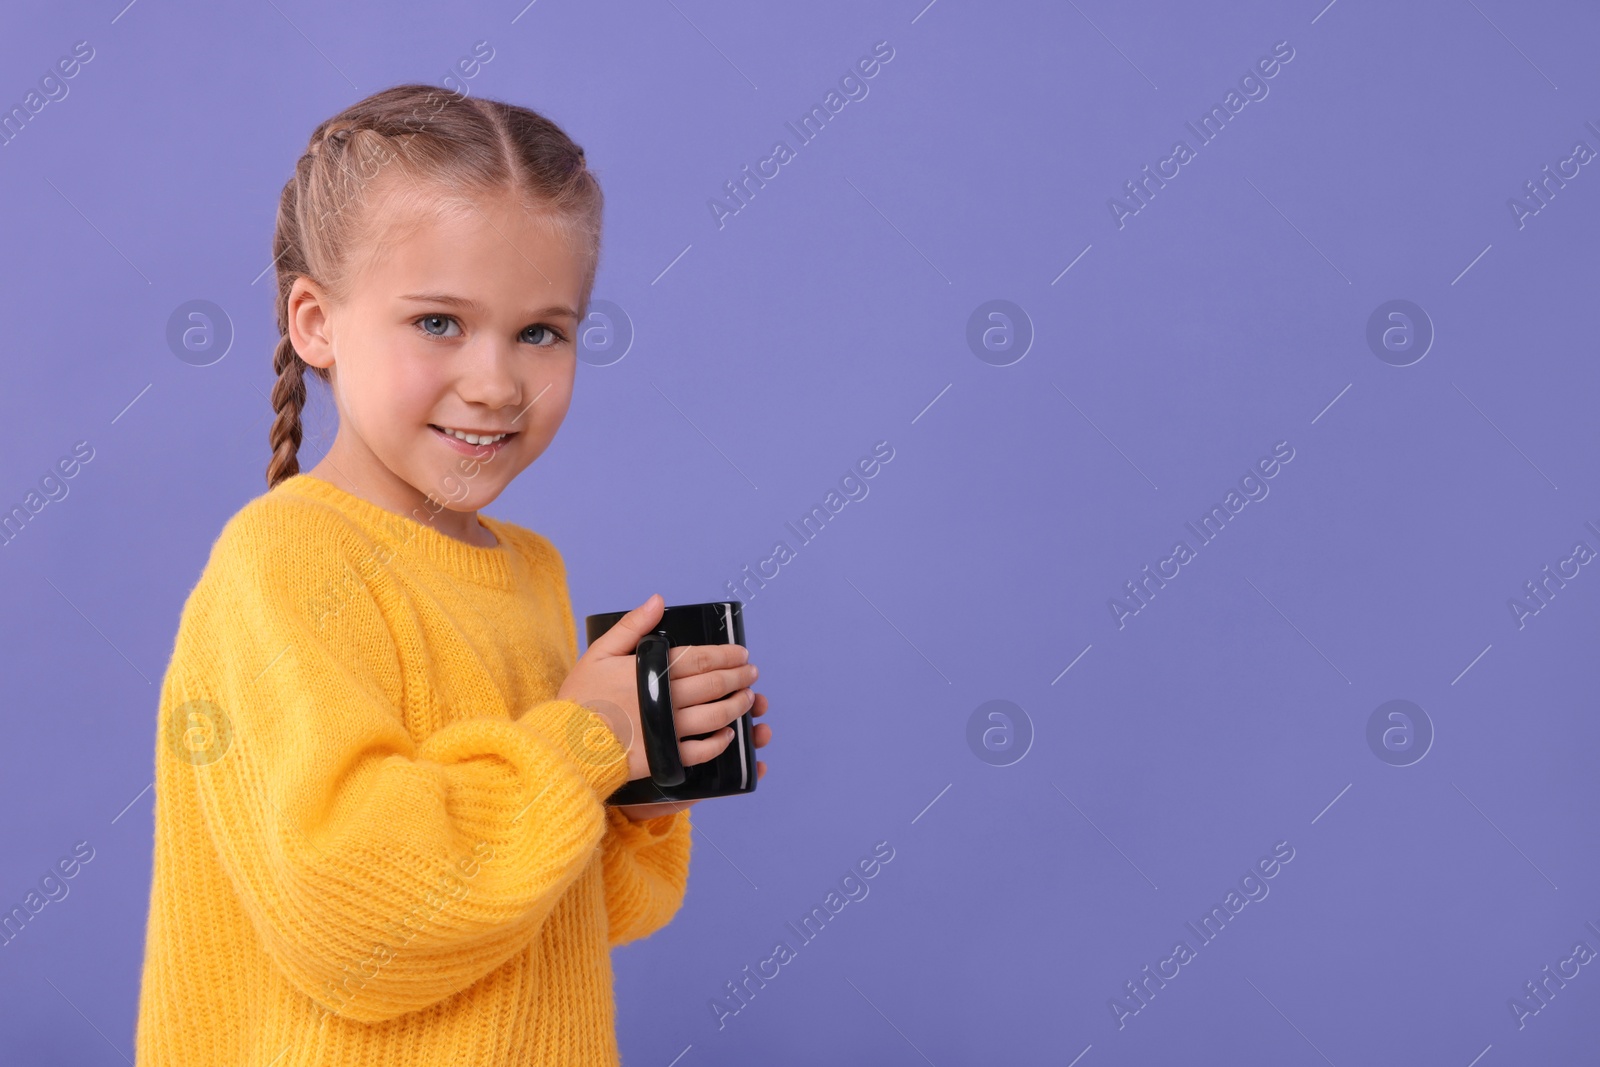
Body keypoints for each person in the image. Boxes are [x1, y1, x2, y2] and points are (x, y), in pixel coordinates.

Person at [133, 83, 771, 1066]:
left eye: (540, 332)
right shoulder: (285, 562)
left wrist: (635, 784)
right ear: (315, 322)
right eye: (438, 322)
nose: (496, 381)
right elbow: (355, 919)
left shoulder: (527, 569)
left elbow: (529, 911)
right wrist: (584, 732)